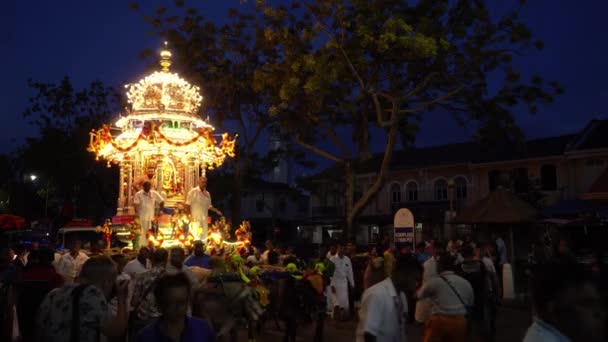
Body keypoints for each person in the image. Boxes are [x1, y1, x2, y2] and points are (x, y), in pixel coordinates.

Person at [36, 256, 129, 342]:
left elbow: (39, 328)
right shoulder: (92, 294)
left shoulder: (53, 293)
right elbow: (115, 332)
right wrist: (122, 298)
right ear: (106, 282)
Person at [523, 264, 605, 342]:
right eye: (587, 304)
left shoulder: (538, 331)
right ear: (553, 309)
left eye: (598, 304)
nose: (599, 313)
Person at [137, 273, 215, 342]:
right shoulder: (146, 337)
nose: (177, 307)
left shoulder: (202, 329)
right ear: (160, 305)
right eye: (171, 303)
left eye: (181, 302)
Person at [417, 253, 474, 342]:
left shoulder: (434, 282)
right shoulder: (465, 283)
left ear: (440, 267)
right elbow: (470, 303)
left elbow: (419, 295)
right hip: (460, 323)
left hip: (439, 322)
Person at [357, 256, 410, 342]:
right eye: (413, 277)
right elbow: (369, 334)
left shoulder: (402, 296)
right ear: (400, 273)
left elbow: (401, 329)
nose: (416, 283)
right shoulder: (376, 295)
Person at [131, 248, 169, 337]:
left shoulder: (142, 276)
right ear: (166, 260)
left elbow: (134, 301)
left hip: (143, 319)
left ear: (152, 259)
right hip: (162, 319)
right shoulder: (170, 278)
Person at [134, 181, 165, 247]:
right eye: (146, 186)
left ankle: (151, 246)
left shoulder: (154, 193)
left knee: (151, 232)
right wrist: (136, 213)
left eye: (149, 186)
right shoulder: (138, 194)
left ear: (150, 187)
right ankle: (142, 246)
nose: (147, 188)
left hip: (151, 218)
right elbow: (136, 204)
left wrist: (161, 211)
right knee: (142, 232)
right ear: (143, 187)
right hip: (141, 217)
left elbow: (162, 201)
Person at [330, 243, 355, 321]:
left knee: (344, 302)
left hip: (344, 283)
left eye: (343, 249)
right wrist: (332, 285)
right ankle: (335, 319)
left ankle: (344, 317)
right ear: (337, 248)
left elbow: (350, 272)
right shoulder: (332, 259)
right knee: (336, 303)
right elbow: (330, 274)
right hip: (335, 283)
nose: (342, 250)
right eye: (340, 248)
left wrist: (352, 283)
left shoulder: (347, 259)